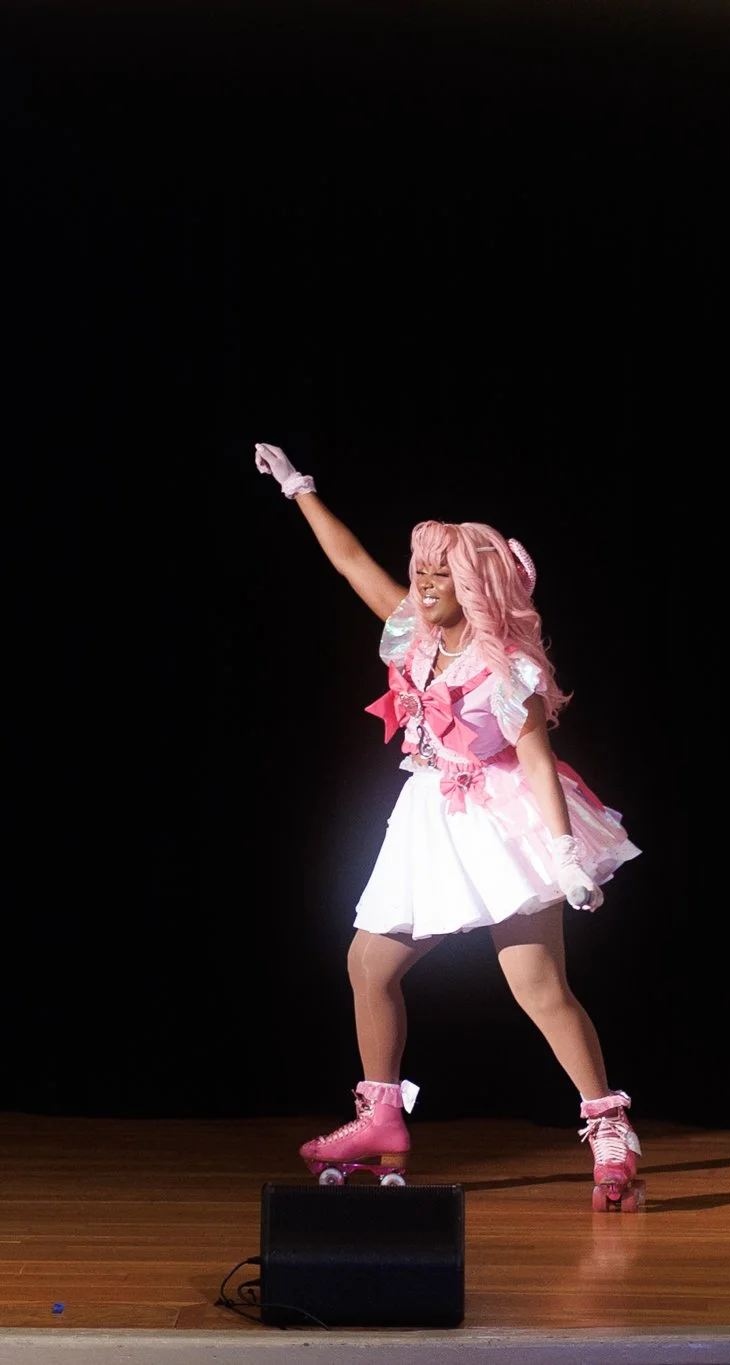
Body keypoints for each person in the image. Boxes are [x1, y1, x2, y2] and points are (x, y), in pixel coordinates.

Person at [251, 441, 648, 1212]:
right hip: (431, 815)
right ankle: (381, 1118)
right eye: (422, 572)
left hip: (501, 819)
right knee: (369, 963)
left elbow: (536, 758)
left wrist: (565, 852)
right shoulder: (413, 633)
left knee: (536, 983)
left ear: (474, 587)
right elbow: (351, 562)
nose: (425, 585)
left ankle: (609, 1125)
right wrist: (299, 489)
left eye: (441, 575)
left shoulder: (507, 668)